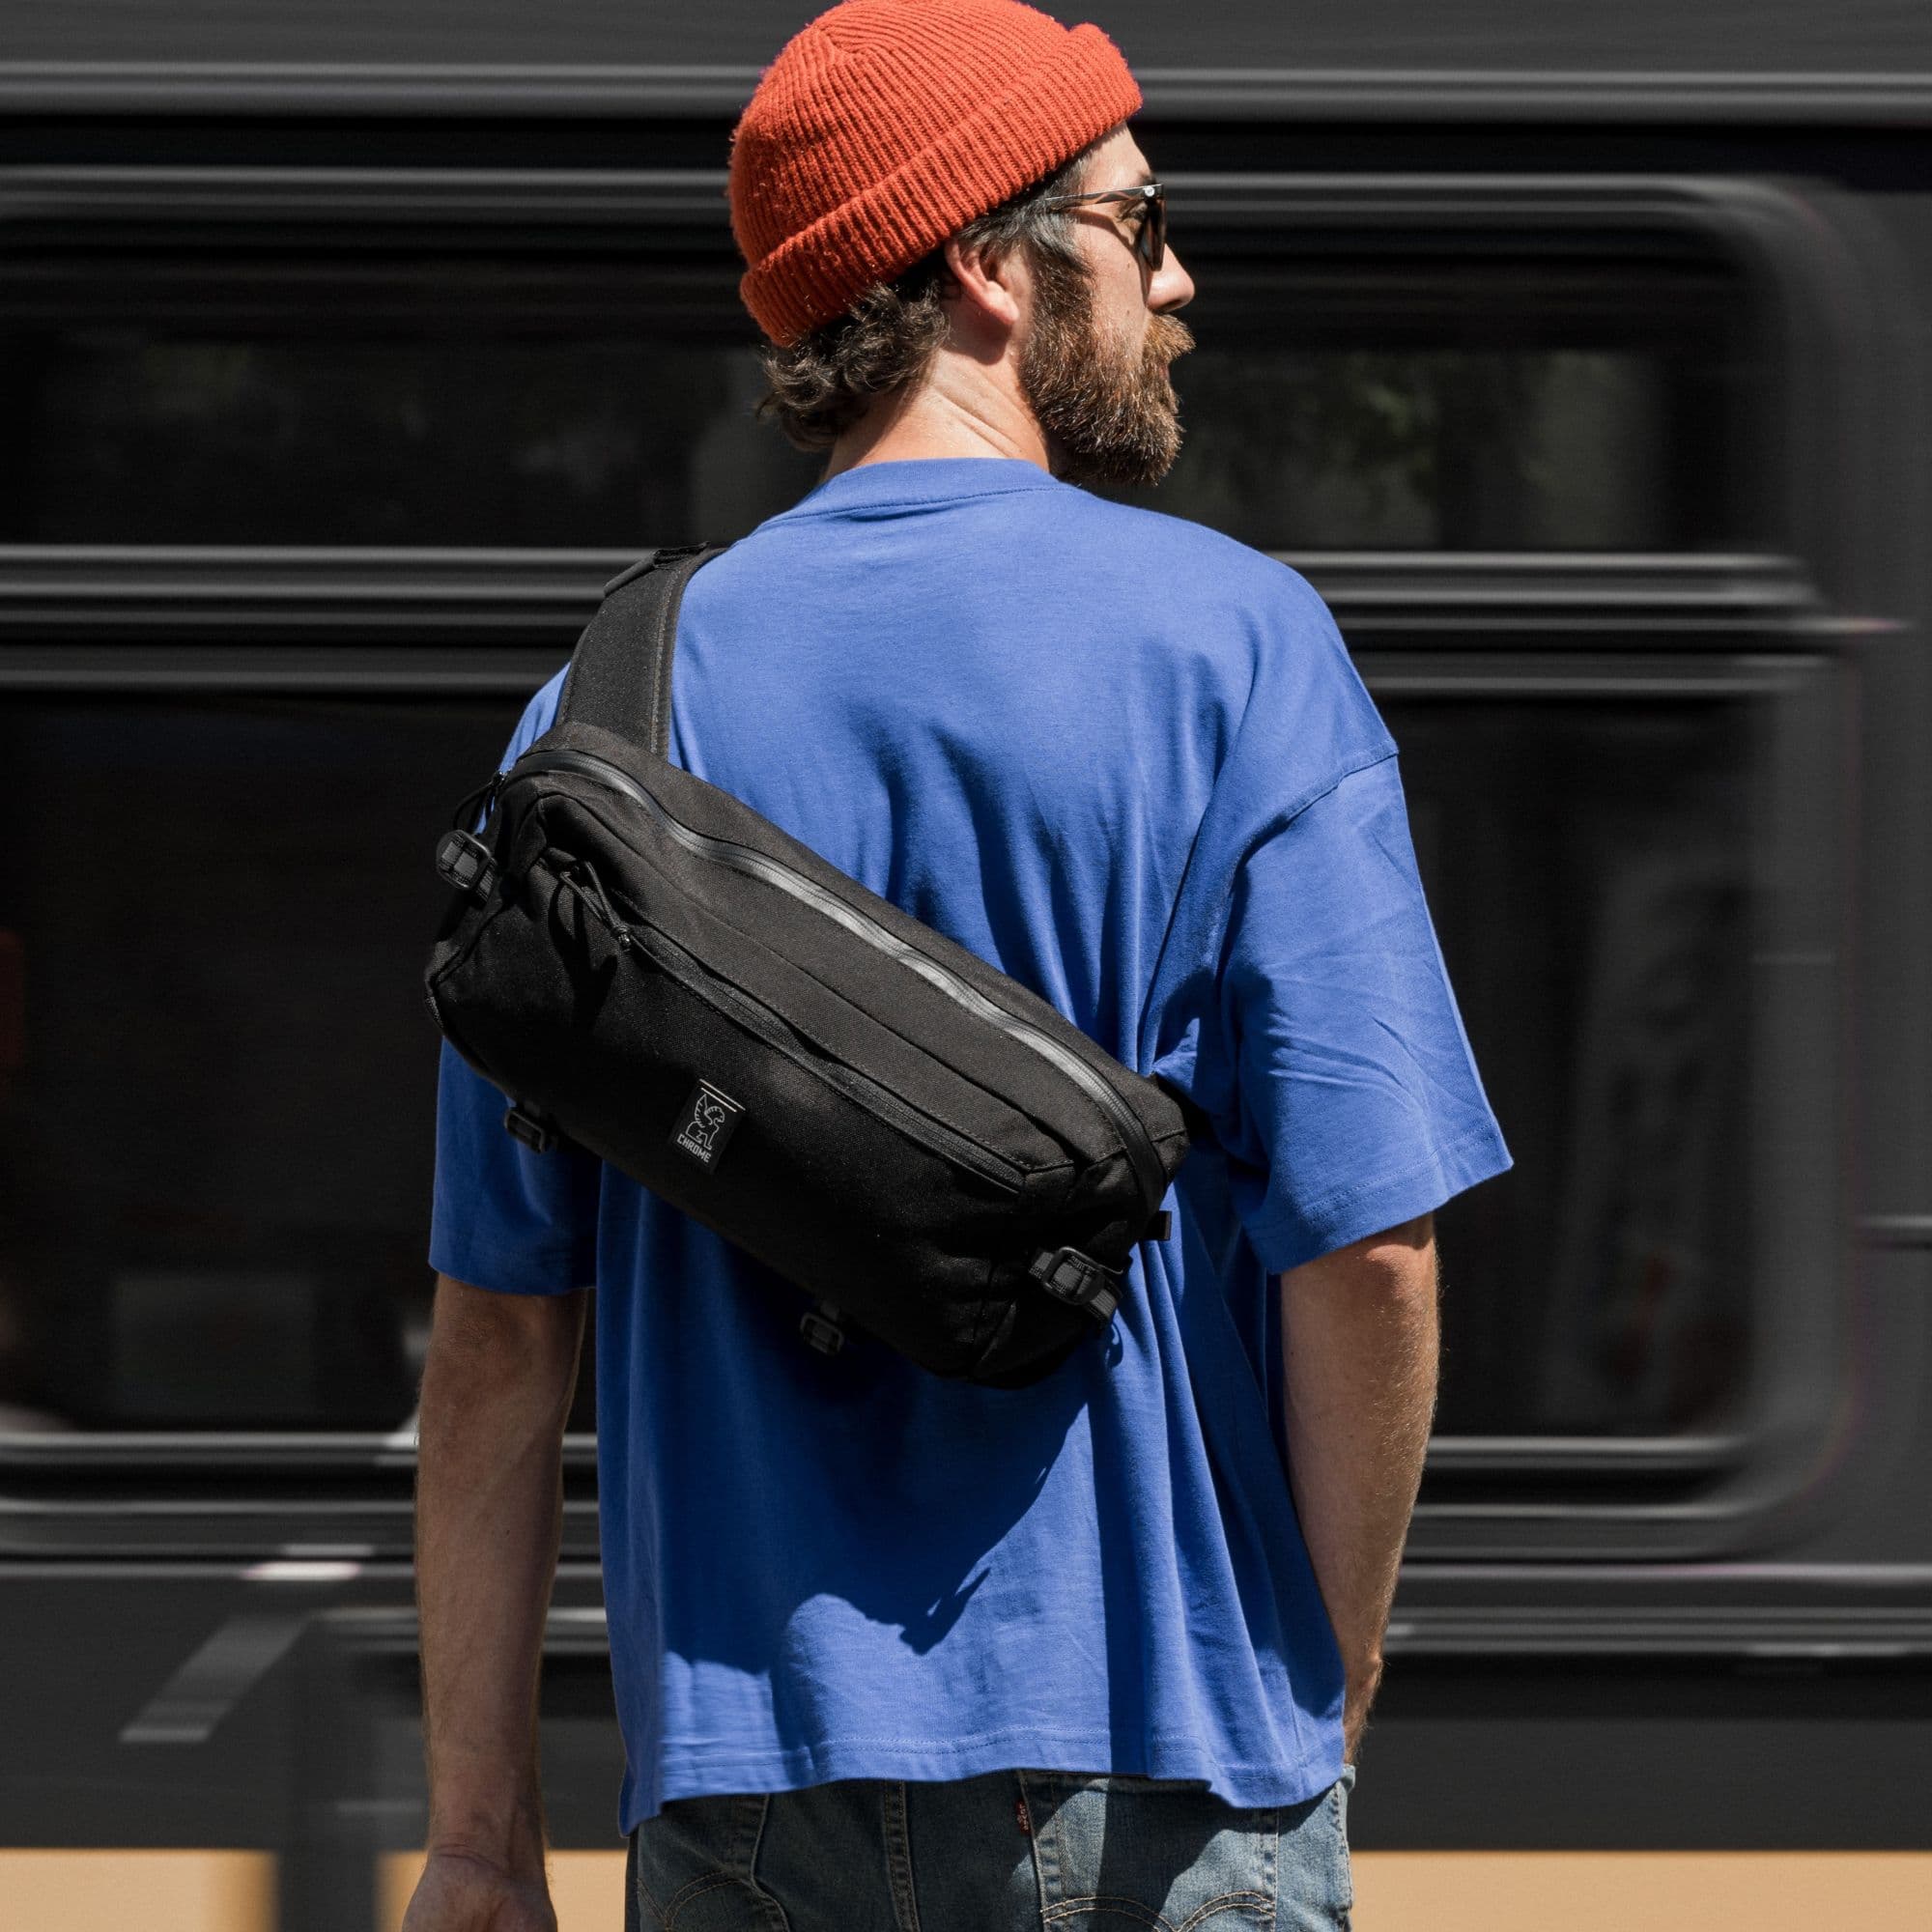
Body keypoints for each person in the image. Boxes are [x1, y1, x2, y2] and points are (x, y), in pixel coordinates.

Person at [404, 2, 1513, 1927]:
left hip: (746, 1795)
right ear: (989, 265)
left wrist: (486, 1833)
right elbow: (1370, 1250)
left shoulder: (601, 722)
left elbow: (502, 1329)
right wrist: (1315, 1697)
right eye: (1137, 215)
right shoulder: (1236, 648)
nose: (1178, 273)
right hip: (1168, 1774)